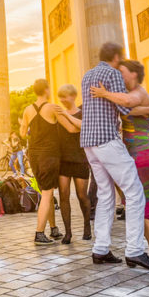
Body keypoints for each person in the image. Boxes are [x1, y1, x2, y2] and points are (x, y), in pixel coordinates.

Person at [92, 60, 149, 265]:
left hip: (140, 154)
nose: (118, 75)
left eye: (121, 72)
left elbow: (132, 109)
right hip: (143, 151)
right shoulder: (135, 96)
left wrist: (105, 96)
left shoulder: (134, 96)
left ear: (134, 74)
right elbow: (147, 110)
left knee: (136, 203)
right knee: (145, 202)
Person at [81, 43, 149, 270]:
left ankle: (101, 249)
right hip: (107, 139)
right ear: (116, 57)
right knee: (134, 192)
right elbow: (125, 109)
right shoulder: (113, 74)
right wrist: (148, 108)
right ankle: (135, 251)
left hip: (88, 142)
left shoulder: (87, 75)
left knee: (106, 195)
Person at [20, 79, 64, 243]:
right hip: (49, 154)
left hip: (34, 155)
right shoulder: (52, 108)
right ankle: (39, 233)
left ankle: (53, 228)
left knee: (47, 190)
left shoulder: (27, 109)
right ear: (46, 90)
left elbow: (23, 134)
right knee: (47, 193)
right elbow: (66, 127)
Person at [55, 84, 92, 242]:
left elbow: (84, 129)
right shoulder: (58, 114)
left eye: (66, 96)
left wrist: (66, 115)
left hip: (80, 158)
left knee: (82, 195)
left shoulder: (83, 113)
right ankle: (68, 232)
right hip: (63, 159)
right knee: (64, 195)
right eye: (60, 97)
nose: (63, 100)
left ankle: (87, 226)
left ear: (73, 96)